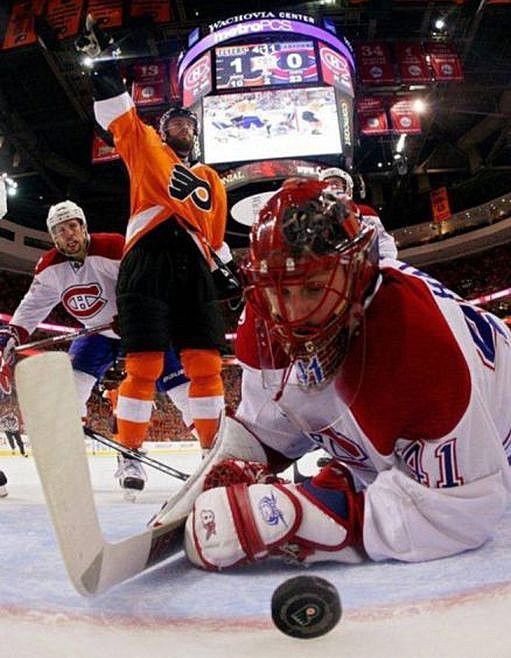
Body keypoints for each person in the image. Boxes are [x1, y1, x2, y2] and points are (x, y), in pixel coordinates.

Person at [175, 178, 511, 571]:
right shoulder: (265, 319)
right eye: (281, 291)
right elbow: (272, 428)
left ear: (357, 272)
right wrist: (238, 460)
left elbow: (462, 511)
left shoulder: (414, 343)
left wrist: (303, 517)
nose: (292, 314)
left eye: (313, 288)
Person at [76, 16, 233, 463]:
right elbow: (120, 117)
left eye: (189, 122)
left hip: (194, 265)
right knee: (143, 363)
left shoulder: (212, 179)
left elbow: (215, 237)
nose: (183, 125)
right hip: (147, 258)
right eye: (175, 121)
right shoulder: (146, 146)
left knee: (206, 363)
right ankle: (130, 451)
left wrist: (227, 270)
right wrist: (103, 70)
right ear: (163, 131)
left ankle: (213, 452)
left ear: (196, 134)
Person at [0, 200, 192, 493]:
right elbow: (33, 306)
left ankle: (195, 451)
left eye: (72, 226)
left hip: (140, 328)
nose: (68, 234)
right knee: (69, 388)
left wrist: (134, 311)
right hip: (96, 332)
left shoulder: (113, 247)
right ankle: (70, 460)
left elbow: (148, 281)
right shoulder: (50, 267)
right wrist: (12, 335)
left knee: (182, 389)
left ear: (84, 227)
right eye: (60, 230)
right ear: (53, 237)